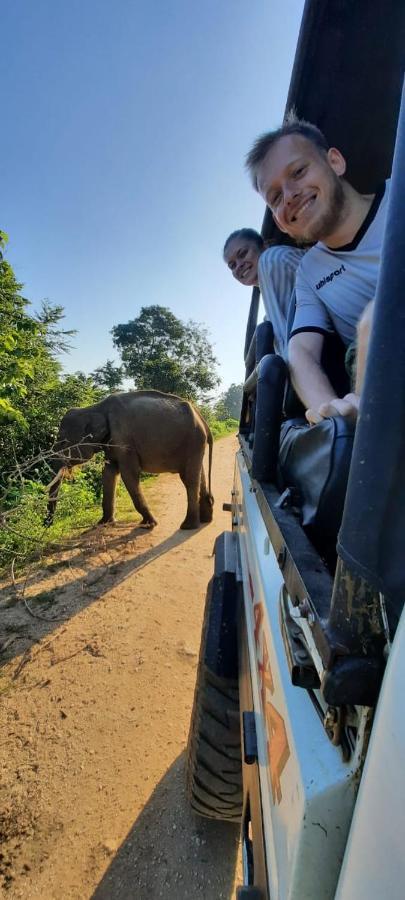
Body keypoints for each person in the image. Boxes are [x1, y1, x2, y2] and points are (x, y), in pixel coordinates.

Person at [245, 114, 389, 423]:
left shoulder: (397, 195)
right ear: (280, 220)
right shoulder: (309, 273)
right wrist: (332, 413)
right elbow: (301, 353)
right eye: (275, 197)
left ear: (335, 162)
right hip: (380, 393)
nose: (290, 195)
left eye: (298, 171)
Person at [223, 227, 305, 359]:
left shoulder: (271, 259)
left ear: (264, 246)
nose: (238, 266)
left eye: (243, 253)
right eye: (232, 265)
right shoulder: (269, 293)